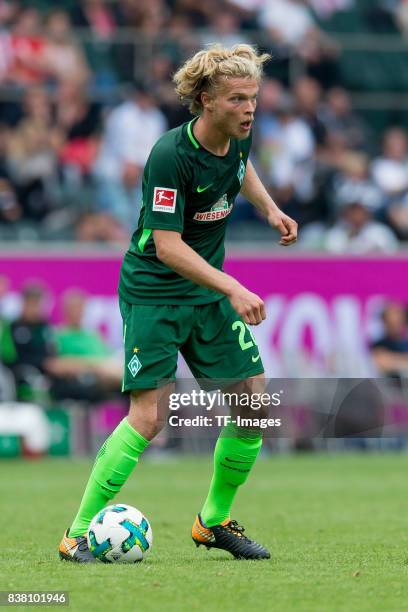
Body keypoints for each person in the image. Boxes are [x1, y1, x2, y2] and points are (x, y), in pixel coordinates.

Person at [59, 43, 297, 563]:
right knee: (150, 416)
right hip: (156, 291)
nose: (250, 109)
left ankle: (213, 521)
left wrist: (271, 209)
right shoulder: (169, 154)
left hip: (205, 291)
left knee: (253, 400)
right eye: (237, 99)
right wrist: (232, 286)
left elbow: (241, 167)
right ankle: (76, 532)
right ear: (206, 100)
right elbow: (167, 247)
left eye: (253, 98)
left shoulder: (238, 132)